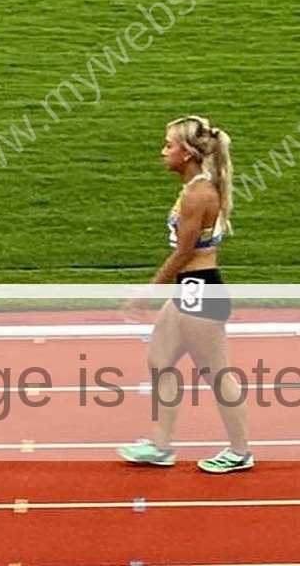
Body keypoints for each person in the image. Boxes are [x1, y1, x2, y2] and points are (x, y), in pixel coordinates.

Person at [118, 116, 254, 476]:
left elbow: (183, 252)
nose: (163, 152)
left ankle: (240, 451)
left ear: (188, 153)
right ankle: (161, 445)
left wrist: (147, 292)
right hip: (189, 289)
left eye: (168, 145)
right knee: (160, 358)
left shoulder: (198, 194)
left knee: (217, 372)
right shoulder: (197, 187)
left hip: (199, 289)